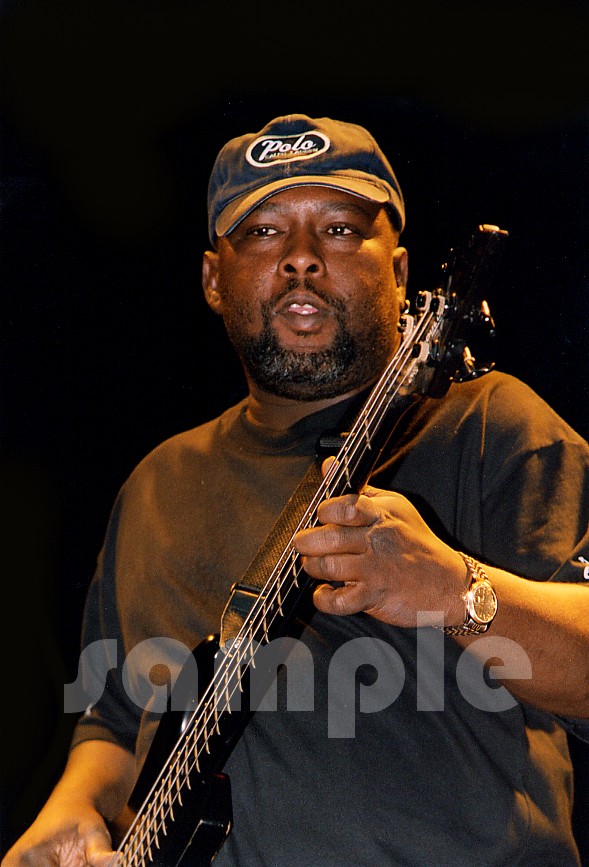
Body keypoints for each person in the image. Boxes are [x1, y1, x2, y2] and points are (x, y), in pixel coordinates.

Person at [3, 113, 589, 867]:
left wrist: (452, 588)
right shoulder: (156, 484)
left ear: (399, 272)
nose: (301, 258)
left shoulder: (493, 427)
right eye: (263, 233)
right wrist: (72, 808)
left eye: (339, 231)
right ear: (214, 279)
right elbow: (113, 720)